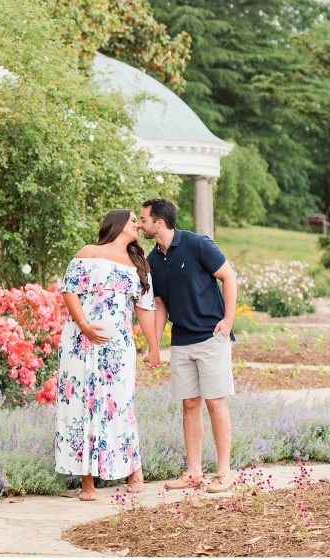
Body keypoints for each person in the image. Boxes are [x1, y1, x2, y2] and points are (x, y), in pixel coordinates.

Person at [55, 209, 161, 501]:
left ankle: (133, 468)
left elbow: (145, 308)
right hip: (80, 341)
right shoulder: (89, 252)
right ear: (116, 225)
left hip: (118, 347)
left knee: (120, 404)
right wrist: (85, 326)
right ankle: (86, 481)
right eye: (132, 221)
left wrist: (153, 347)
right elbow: (69, 291)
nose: (138, 225)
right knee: (82, 404)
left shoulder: (139, 264)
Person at [140, 197, 238, 493]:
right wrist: (154, 345)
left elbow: (228, 276)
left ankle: (224, 474)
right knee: (189, 404)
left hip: (211, 337)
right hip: (181, 341)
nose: (141, 224)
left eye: (144, 219)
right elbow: (159, 305)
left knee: (215, 402)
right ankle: (194, 472)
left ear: (159, 223)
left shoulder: (198, 244)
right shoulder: (153, 260)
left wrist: (229, 320)